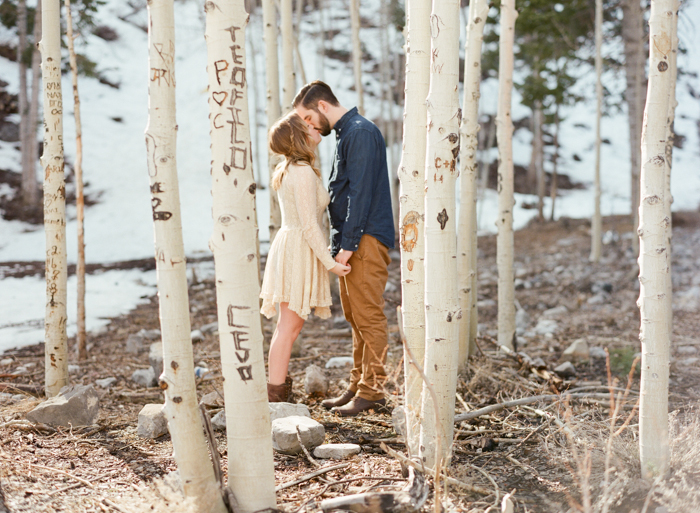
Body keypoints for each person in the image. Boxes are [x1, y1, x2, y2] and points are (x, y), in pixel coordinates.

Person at [293, 81, 395, 416]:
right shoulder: (345, 134)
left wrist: (348, 245)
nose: (308, 125)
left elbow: (361, 194)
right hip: (351, 239)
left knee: (368, 316)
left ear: (322, 106)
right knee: (355, 317)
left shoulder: (360, 133)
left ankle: (373, 390)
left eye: (308, 117)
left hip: (364, 239)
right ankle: (357, 385)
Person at [261, 112, 351, 403]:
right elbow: (309, 224)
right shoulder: (299, 172)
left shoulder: (296, 168)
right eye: (307, 126)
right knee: (289, 326)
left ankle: (276, 390)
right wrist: (331, 264)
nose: (315, 128)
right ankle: (275, 396)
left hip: (295, 245)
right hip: (297, 248)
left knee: (291, 325)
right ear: (298, 136)